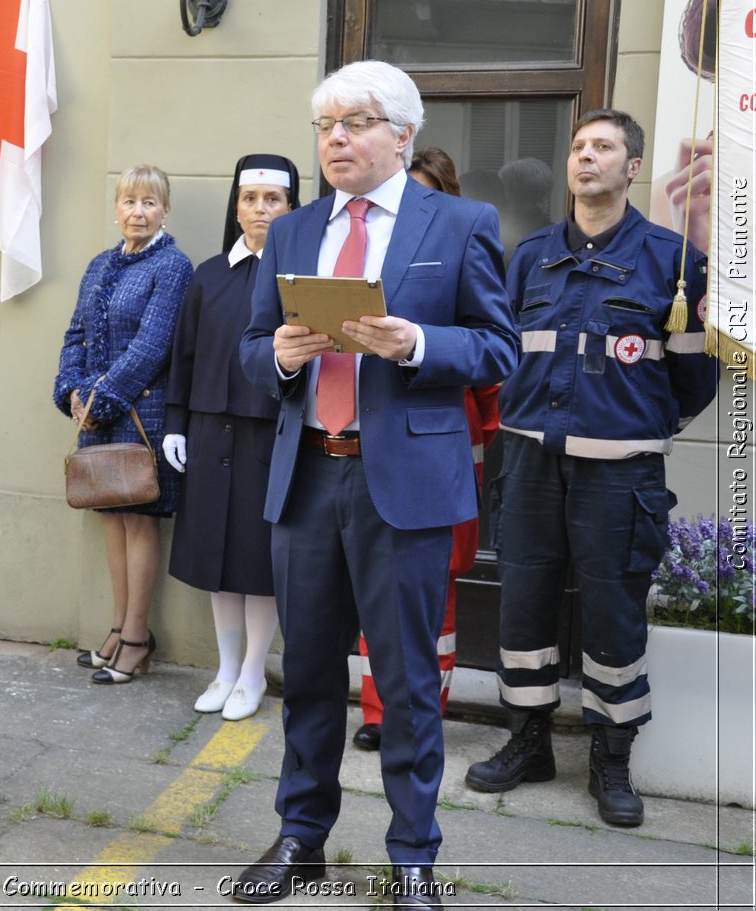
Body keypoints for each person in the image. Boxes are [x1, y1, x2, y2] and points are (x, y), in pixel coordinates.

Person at [236, 61, 517, 908]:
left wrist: (418, 346)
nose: (335, 139)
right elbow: (252, 351)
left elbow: (498, 351)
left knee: (404, 683)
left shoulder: (460, 223)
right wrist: (278, 358)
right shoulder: (293, 231)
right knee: (310, 672)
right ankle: (300, 837)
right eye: (325, 124)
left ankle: (413, 858)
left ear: (401, 134)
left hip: (405, 485)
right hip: (309, 478)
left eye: (354, 122)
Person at [465, 109, 719, 828]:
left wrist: (631, 430)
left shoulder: (673, 261)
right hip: (530, 464)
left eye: (603, 147)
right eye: (578, 146)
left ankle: (611, 759)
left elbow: (694, 379)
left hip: (620, 475)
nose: (586, 157)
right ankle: (529, 741)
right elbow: (503, 352)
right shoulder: (531, 254)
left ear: (632, 167)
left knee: (613, 613)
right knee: (525, 602)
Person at [351, 147, 501, 752]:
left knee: (434, 593)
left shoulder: (464, 248)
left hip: (443, 451)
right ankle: (377, 709)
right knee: (372, 587)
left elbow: (491, 378)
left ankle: (422, 711)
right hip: (373, 445)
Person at [163, 154, 299, 719]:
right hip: (207, 431)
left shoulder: (297, 278)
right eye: (249, 199)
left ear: (291, 207)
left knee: (257, 560)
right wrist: (175, 422)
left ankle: (252, 674)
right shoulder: (208, 275)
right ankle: (224, 668)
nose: (259, 210)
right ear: (235, 206)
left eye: (272, 200)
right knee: (216, 559)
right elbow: (183, 356)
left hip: (269, 436)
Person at [54, 165, 193, 686]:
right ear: (116, 208)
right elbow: (75, 333)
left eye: (149, 203)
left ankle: (137, 638)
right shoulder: (98, 264)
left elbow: (154, 346)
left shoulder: (173, 266)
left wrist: (101, 397)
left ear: (165, 211)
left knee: (139, 520)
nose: (138, 211)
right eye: (129, 201)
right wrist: (70, 389)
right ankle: (118, 628)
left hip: (144, 414)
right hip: (95, 413)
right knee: (110, 519)